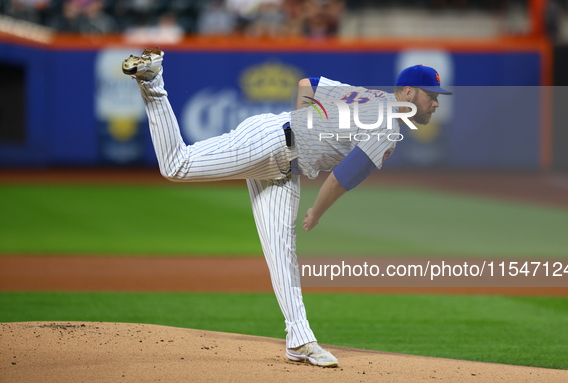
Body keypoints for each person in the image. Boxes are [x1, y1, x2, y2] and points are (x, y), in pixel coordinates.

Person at [121, 48, 451, 367]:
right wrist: (316, 212)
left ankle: (299, 340)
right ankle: (153, 82)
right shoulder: (388, 127)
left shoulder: (368, 96)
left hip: (284, 165)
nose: (435, 103)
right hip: (270, 142)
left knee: (282, 252)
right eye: (430, 95)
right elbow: (341, 178)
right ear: (407, 92)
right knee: (177, 165)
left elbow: (308, 83)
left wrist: (305, 121)